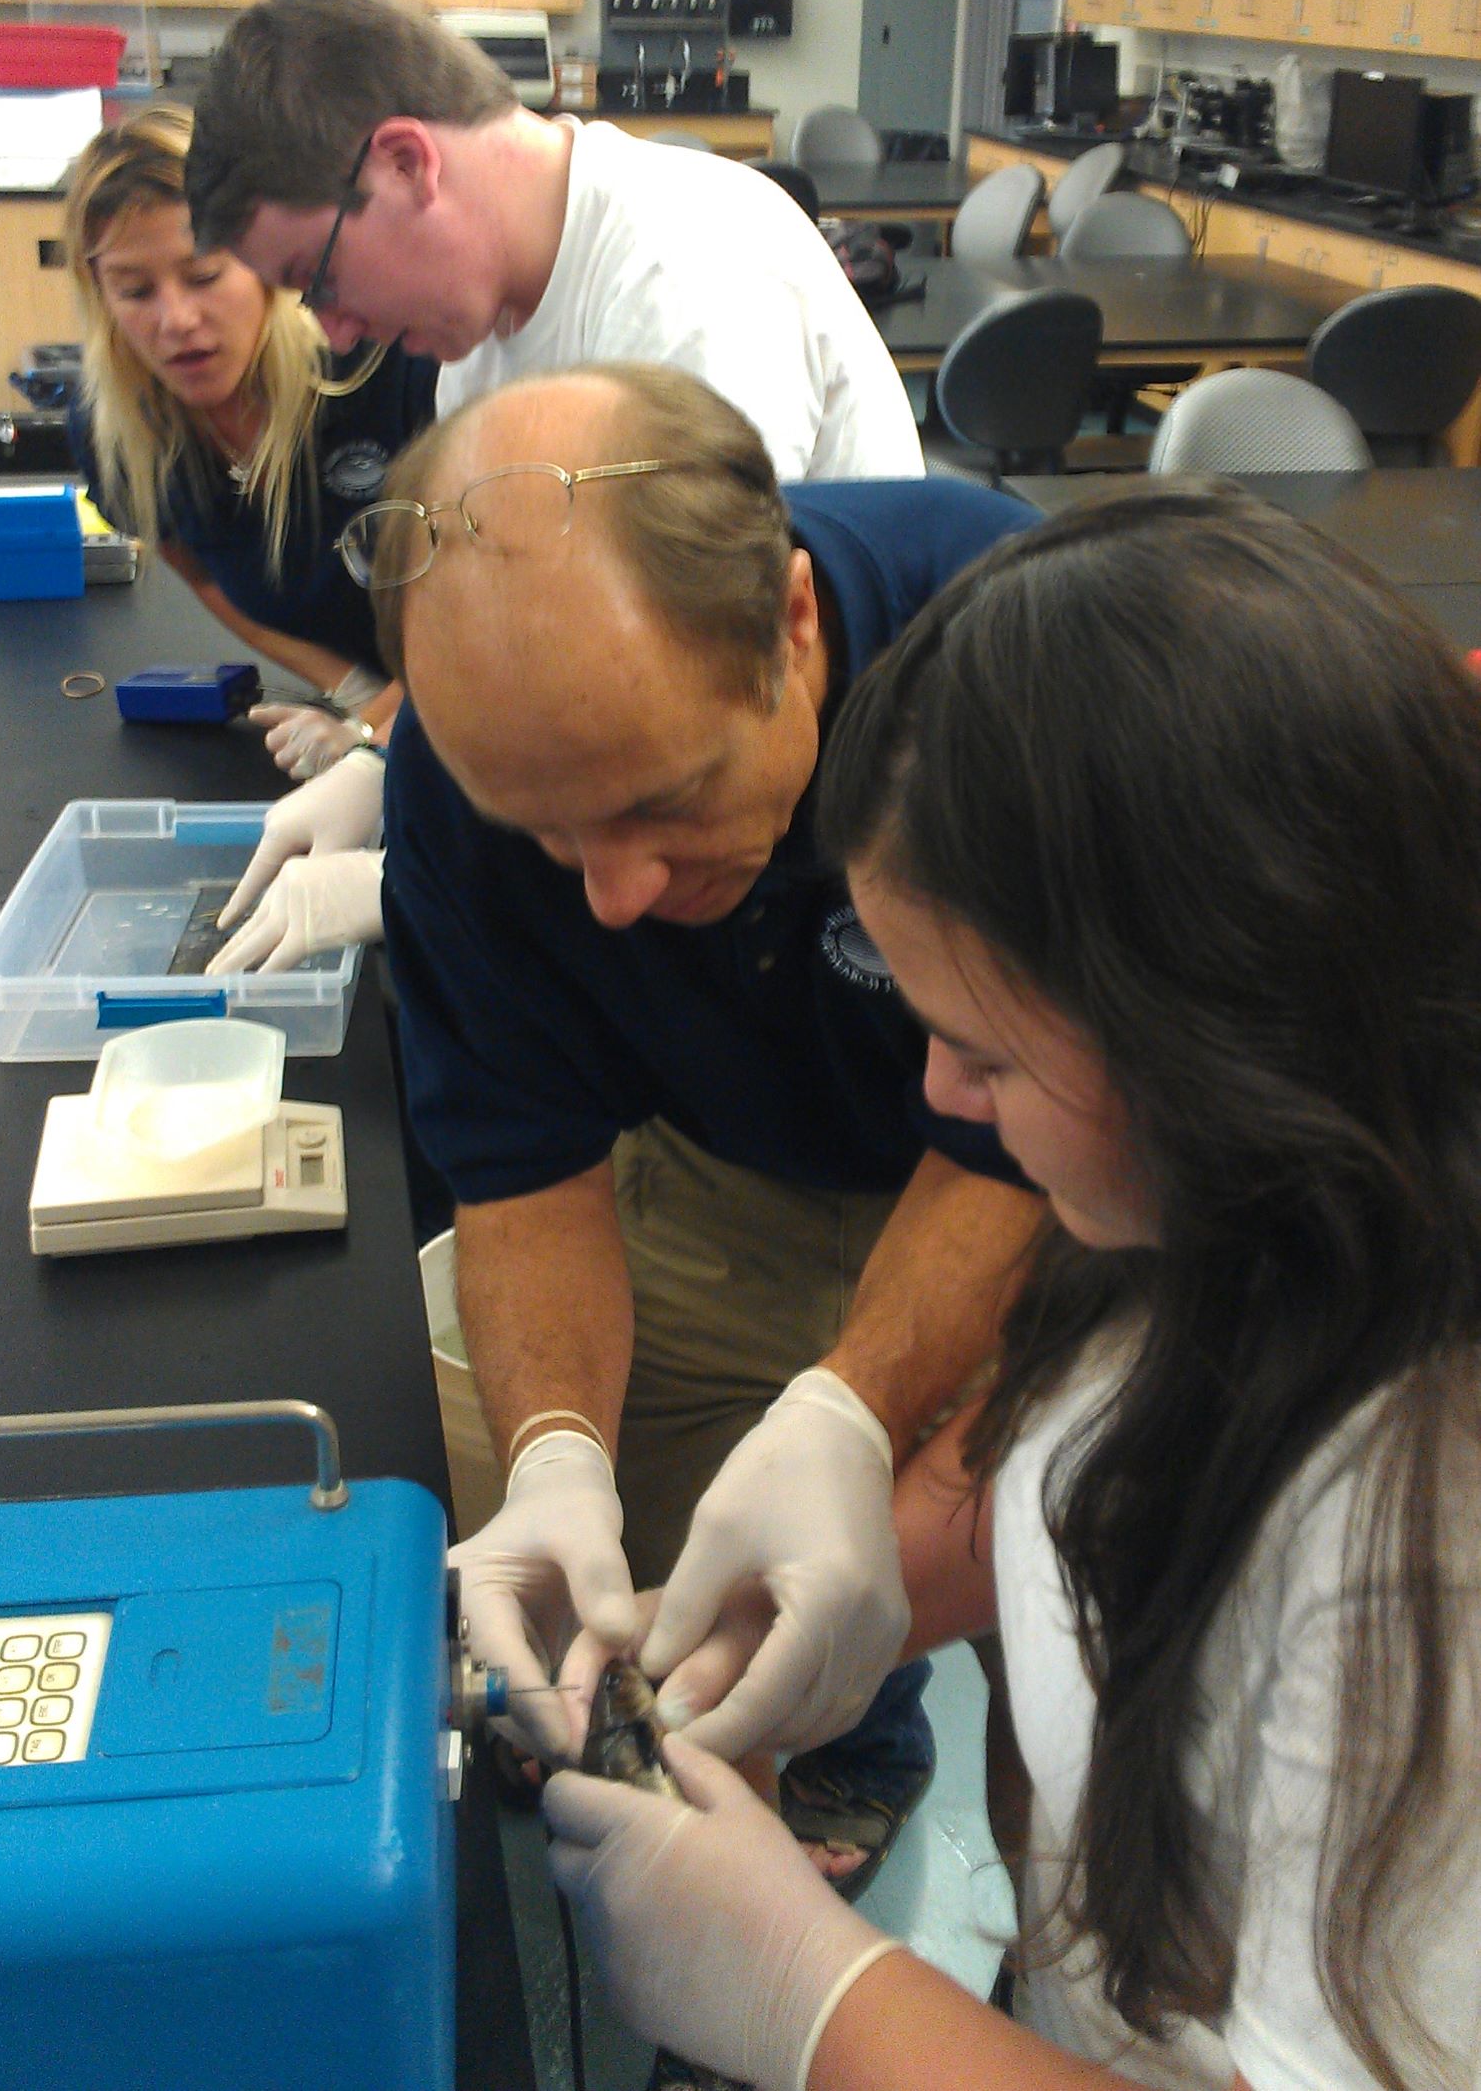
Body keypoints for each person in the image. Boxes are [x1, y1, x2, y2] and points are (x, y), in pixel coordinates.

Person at [543, 484, 1481, 2091]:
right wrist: (808, 1615)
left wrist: (813, 2000)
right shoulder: (1215, 1207)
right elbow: (1127, 1477)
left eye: (983, 1047)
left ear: (1219, 1029)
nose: (944, 1097)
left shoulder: (1422, 1552)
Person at [364, 363, 1042, 1902]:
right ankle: (808, 1750)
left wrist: (855, 1410)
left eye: (661, 802)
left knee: (1075, 1649)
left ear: (794, 624)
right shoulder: (469, 767)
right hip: (727, 1159)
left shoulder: (1011, 665)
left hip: (1055, 1171)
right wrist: (552, 1458)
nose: (608, 892)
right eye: (550, 834)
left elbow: (1032, 1137)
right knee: (692, 1572)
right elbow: (523, 1165)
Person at [183, 0, 923, 966]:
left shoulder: (690, 275)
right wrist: (385, 761)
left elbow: (682, 680)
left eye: (317, 278)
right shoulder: (478, 346)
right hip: (638, 813)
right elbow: (501, 634)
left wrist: (412, 866)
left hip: (809, 844)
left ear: (406, 162)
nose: (334, 328)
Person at [65, 102, 436, 791]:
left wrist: (372, 735)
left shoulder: (382, 363)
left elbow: (498, 604)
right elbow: (202, 572)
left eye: (203, 274)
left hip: (495, 701)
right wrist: (353, 691)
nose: (176, 319)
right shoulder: (116, 435)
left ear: (266, 261)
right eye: (134, 289)